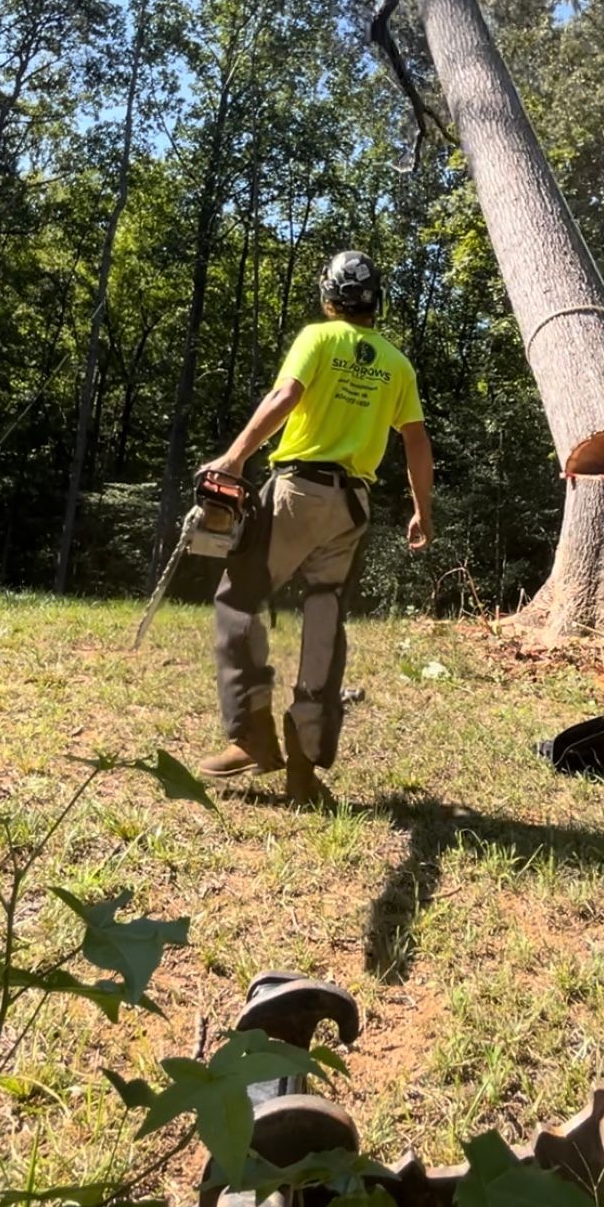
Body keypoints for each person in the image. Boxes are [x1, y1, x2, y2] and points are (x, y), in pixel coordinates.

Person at [196, 250, 433, 808]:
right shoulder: (397, 365)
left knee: (238, 602)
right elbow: (416, 441)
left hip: (298, 493)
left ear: (330, 297)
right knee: (324, 625)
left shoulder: (319, 339)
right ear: (378, 305)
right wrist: (422, 508)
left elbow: (285, 397)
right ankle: (304, 768)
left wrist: (232, 460)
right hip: (353, 506)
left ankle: (253, 736)